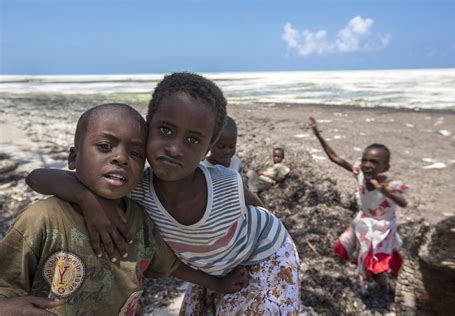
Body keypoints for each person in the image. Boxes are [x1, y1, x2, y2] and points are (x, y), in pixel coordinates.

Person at [26, 73, 300, 314]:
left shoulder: (225, 183)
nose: (173, 148)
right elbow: (38, 177)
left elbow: (256, 205)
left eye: (193, 140)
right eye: (165, 130)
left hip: (264, 254)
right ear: (148, 126)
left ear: (208, 148)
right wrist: (88, 200)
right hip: (214, 268)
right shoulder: (135, 189)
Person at [0, 103, 247, 315]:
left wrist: (217, 283)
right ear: (74, 157)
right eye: (105, 146)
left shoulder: (140, 219)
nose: (121, 158)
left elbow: (170, 265)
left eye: (136, 153)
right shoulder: (43, 218)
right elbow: (7, 278)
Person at [308, 116, 408, 289]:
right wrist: (317, 134)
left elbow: (403, 202)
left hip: (381, 228)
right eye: (365, 160)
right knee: (347, 249)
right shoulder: (360, 174)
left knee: (376, 265)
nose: (367, 165)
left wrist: (386, 192)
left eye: (374, 162)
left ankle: (385, 289)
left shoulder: (391, 186)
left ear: (386, 168)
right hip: (363, 220)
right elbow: (335, 158)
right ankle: (379, 281)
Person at [201, 115, 264, 207]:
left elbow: (242, 188)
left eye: (232, 146)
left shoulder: (235, 161)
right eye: (221, 147)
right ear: (209, 144)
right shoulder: (204, 168)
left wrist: (260, 207)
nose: (227, 151)